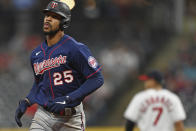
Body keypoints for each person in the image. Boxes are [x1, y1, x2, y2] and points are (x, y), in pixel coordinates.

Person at [15, 0, 104, 130]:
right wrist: (27, 101)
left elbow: (97, 79)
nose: (48, 19)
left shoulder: (75, 48)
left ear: (64, 22)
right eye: (47, 15)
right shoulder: (36, 54)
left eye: (54, 17)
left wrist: (68, 99)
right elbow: (39, 84)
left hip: (71, 117)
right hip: (44, 115)